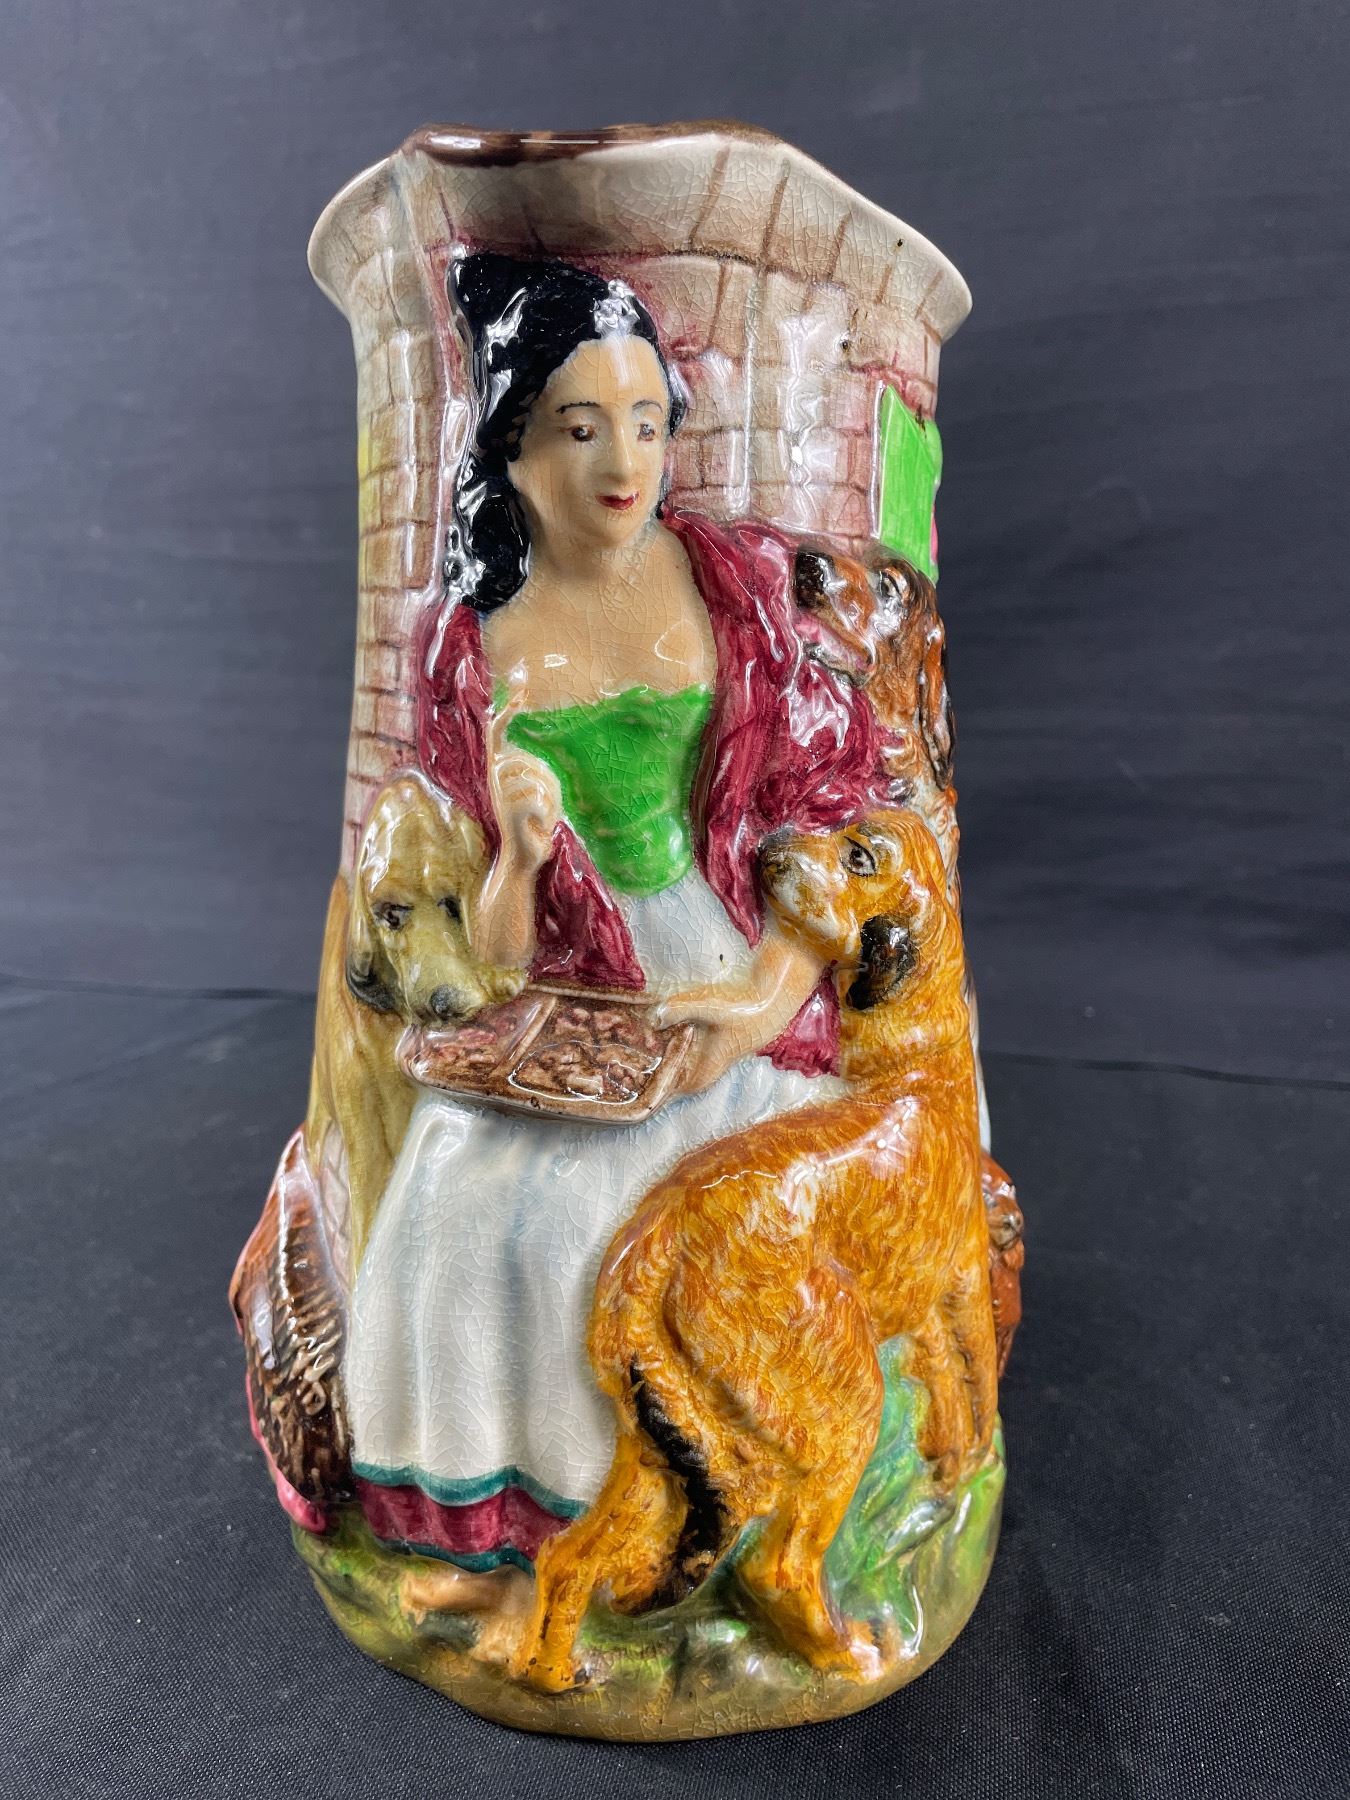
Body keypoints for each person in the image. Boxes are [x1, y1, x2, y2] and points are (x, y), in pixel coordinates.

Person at [341, 250, 895, 1576]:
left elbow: (825, 816)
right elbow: (493, 956)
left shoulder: (732, 586)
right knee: (453, 1201)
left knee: (611, 1226)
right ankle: (523, 1521)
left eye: (648, 422)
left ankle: (686, 1521)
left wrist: (757, 1002)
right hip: (573, 1000)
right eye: (580, 428)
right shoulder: (468, 645)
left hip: (731, 962)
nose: (624, 462)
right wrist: (521, 858)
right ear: (512, 446)